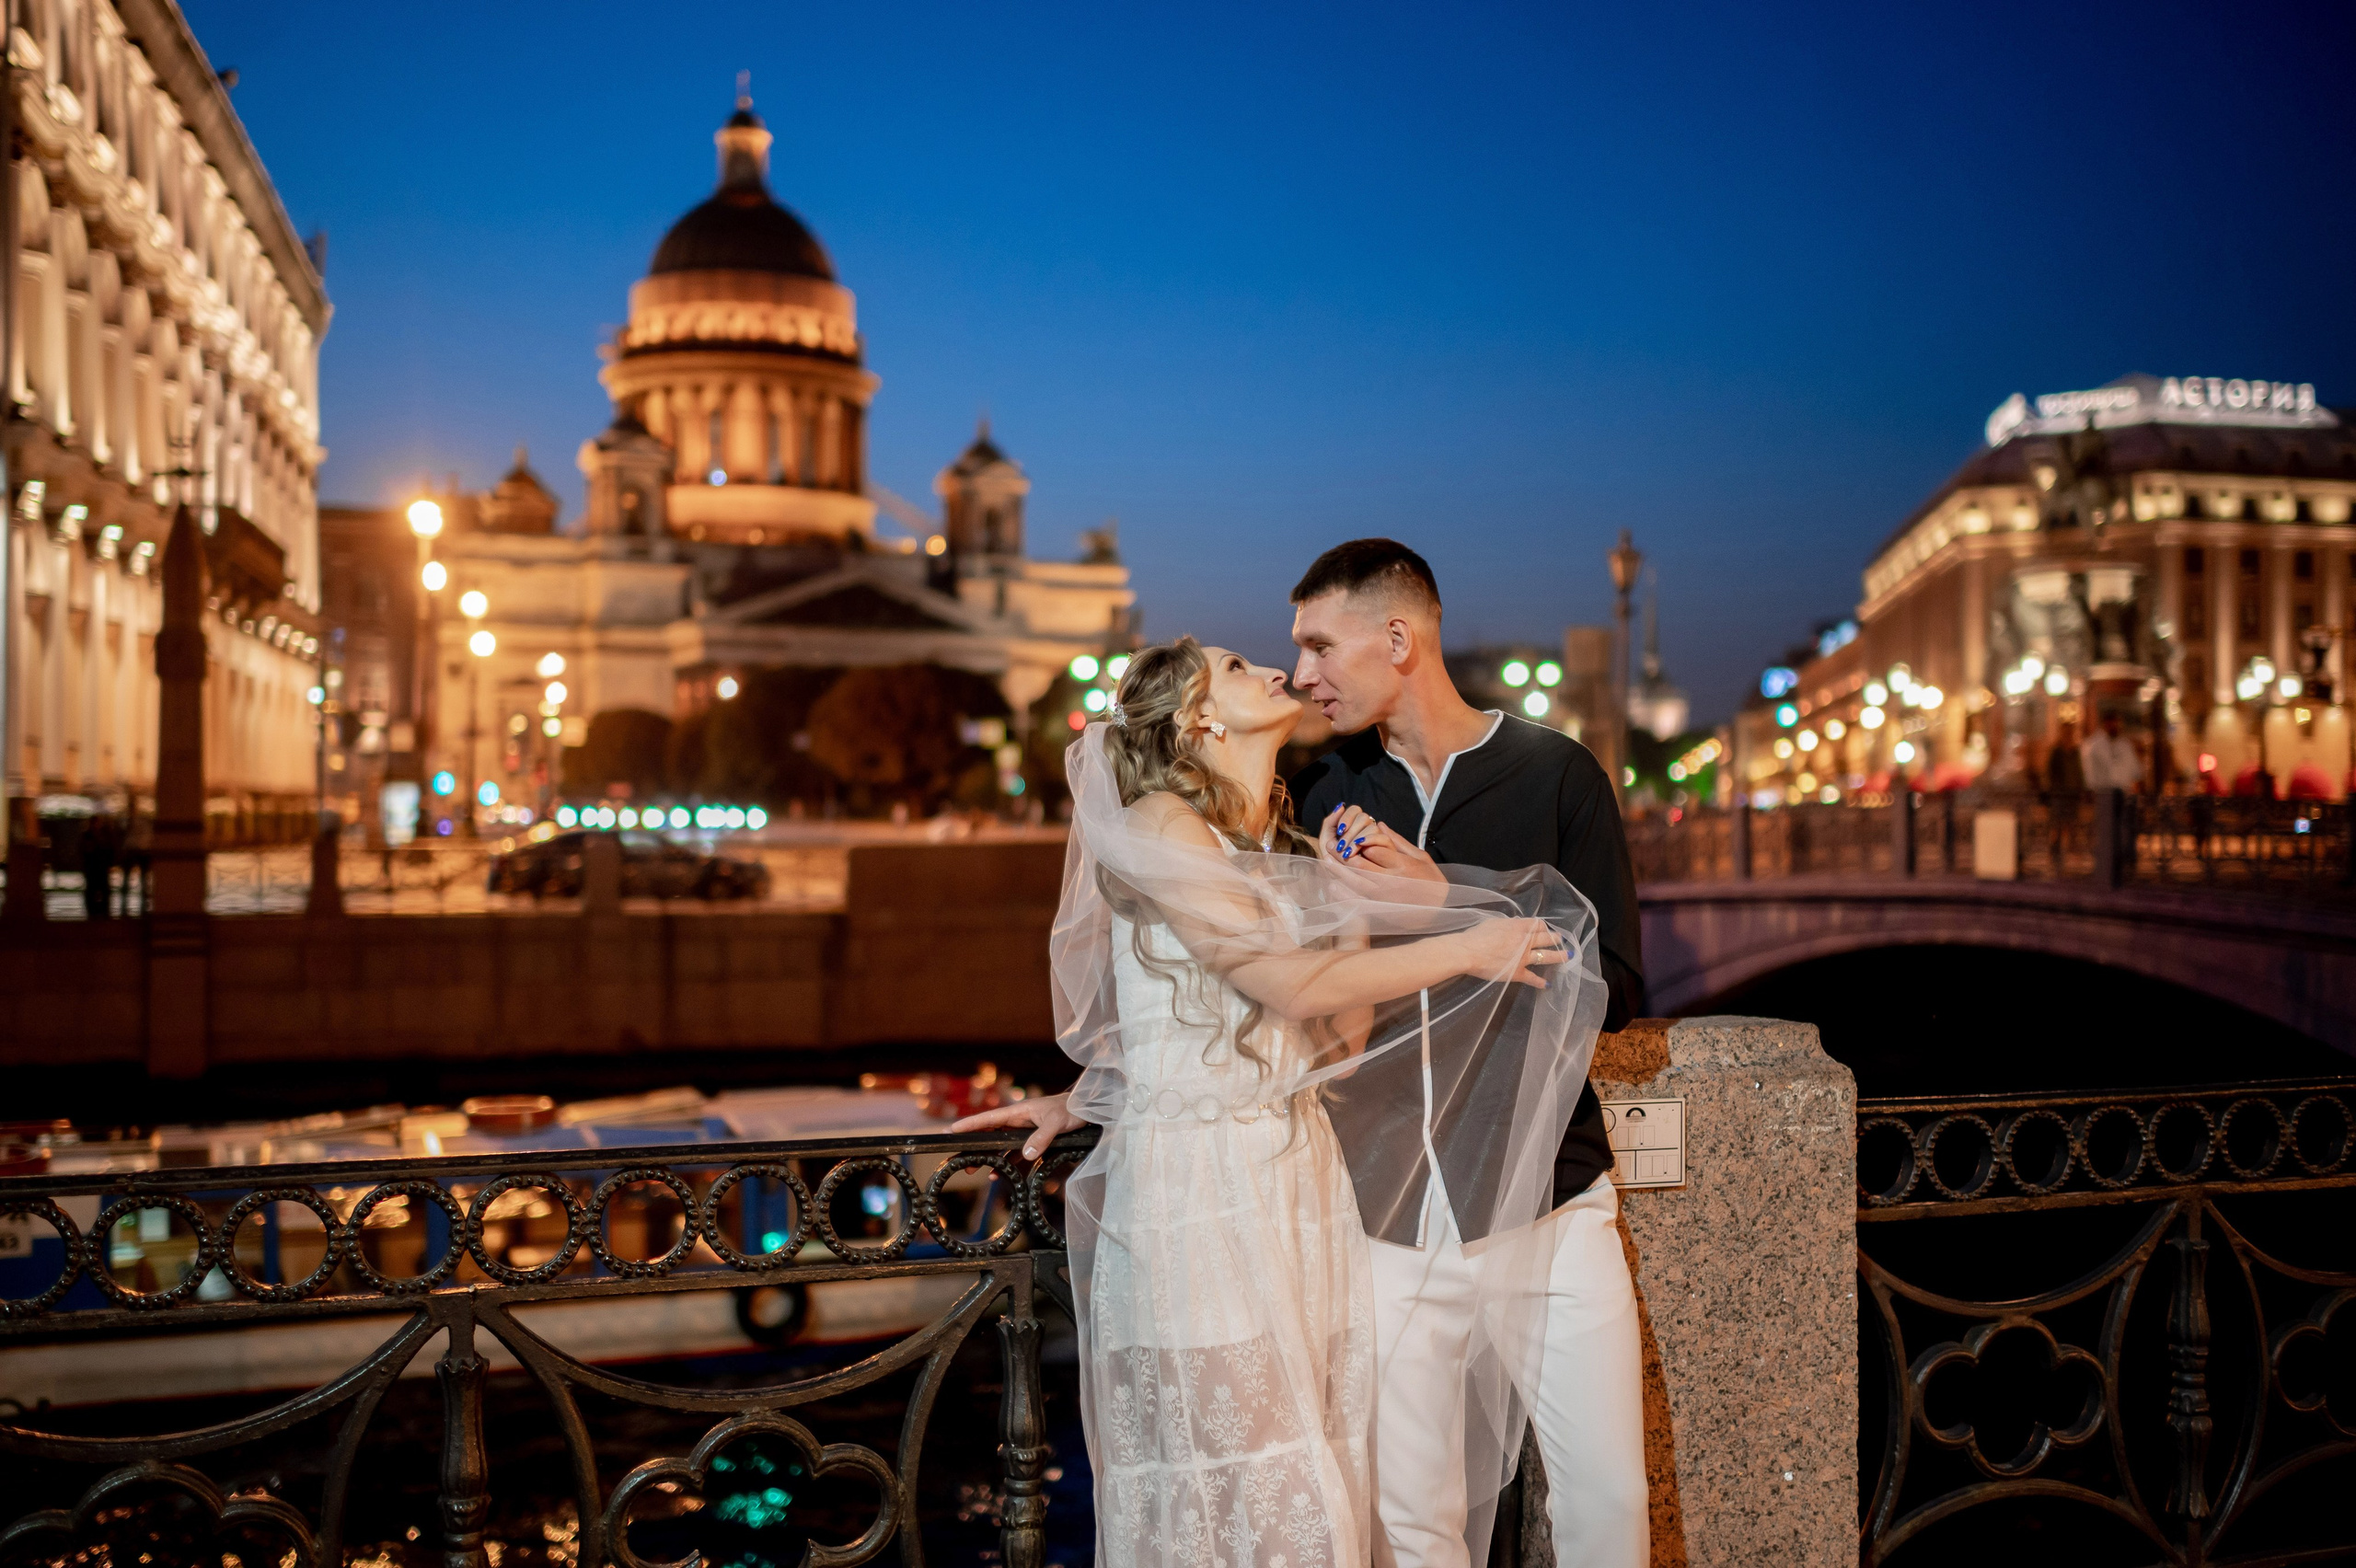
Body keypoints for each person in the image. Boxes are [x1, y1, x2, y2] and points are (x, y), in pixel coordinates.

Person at [953, 635, 1608, 1568]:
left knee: (1324, 1466)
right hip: (1202, 1193)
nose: (1270, 669)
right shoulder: (1160, 822)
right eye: (1231, 668)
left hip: (1297, 1175)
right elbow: (1284, 983)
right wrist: (1470, 949)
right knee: (1257, 1476)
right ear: (1196, 720)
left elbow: (1327, 1038)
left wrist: (1386, 903)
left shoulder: (1269, 845)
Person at [1288, 540, 1647, 1568]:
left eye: (1319, 644)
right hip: (1392, 1215)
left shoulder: (1556, 773)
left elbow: (1617, 990)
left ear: (1397, 638)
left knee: (1608, 1500)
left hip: (1550, 1200)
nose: (1303, 672)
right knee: (1413, 1521)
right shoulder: (1325, 800)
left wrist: (1444, 896)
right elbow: (1295, 994)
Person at [2079, 710, 2142, 794]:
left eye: (2117, 724)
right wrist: (2091, 789)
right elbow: (2089, 772)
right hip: (2102, 792)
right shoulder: (2093, 746)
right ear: (2105, 724)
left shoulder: (2125, 745)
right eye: (2112, 724)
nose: (2115, 727)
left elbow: (2135, 771)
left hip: (2124, 790)